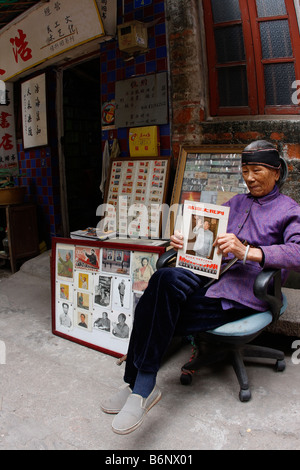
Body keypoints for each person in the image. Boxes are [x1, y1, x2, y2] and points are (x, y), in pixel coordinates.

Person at [100, 140, 300, 435]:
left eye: (257, 170)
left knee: (153, 308)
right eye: (245, 170)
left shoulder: (288, 209)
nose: (250, 177)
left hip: (244, 291)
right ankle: (138, 387)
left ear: (276, 171)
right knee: (163, 280)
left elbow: (297, 252)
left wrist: (249, 252)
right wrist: (185, 240)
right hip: (209, 275)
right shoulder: (236, 203)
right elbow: (205, 231)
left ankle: (138, 386)